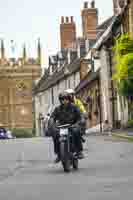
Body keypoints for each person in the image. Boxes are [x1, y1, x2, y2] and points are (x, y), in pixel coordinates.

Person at [49, 92, 84, 163]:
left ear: (69, 99)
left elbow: (80, 116)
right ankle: (59, 154)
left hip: (73, 125)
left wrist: (79, 122)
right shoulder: (57, 109)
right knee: (55, 134)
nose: (64, 101)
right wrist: (52, 124)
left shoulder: (74, 107)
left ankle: (79, 151)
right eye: (62, 99)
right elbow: (52, 117)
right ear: (60, 100)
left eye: (66, 99)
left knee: (76, 132)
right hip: (62, 127)